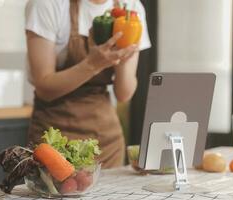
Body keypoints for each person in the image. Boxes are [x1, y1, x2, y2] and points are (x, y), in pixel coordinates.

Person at [25, 0, 151, 168]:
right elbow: (43, 87)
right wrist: (93, 65)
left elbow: (124, 94)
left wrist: (122, 56)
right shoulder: (47, 4)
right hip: (55, 137)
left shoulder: (130, 8)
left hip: (107, 143)